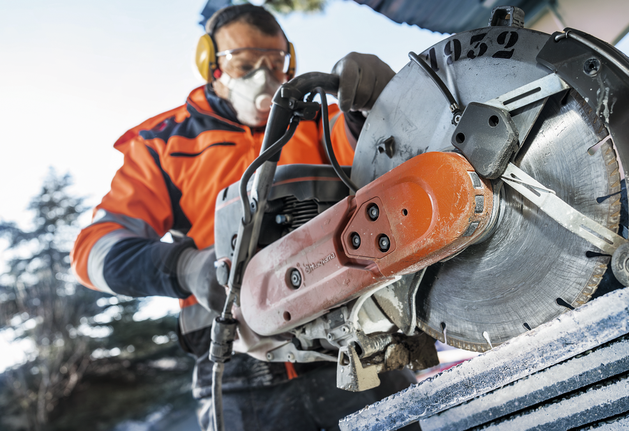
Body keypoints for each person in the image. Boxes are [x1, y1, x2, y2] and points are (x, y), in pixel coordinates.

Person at [71, 4, 417, 430]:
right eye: (245, 63)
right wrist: (184, 266)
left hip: (357, 346)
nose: (264, 75)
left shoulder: (321, 123)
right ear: (212, 66)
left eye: (275, 62)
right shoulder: (164, 144)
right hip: (237, 372)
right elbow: (93, 251)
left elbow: (391, 161)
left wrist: (375, 108)